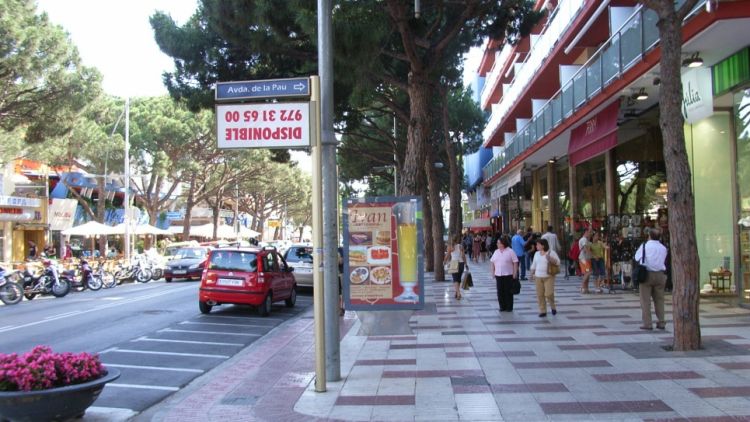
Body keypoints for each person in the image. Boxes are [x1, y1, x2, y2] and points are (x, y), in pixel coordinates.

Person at [634, 228, 668, 330]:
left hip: (647, 274)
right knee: (659, 300)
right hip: (660, 274)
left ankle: (647, 323)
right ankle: (661, 322)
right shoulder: (663, 248)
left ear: (649, 235)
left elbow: (637, 257)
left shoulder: (645, 246)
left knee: (645, 300)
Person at [529, 238, 560, 317]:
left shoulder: (551, 252)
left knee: (549, 293)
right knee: (540, 295)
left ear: (543, 245)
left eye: (538, 245)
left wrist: (550, 259)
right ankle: (543, 311)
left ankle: (553, 306)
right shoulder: (536, 254)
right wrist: (531, 274)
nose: (536, 246)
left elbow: (558, 262)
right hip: (538, 276)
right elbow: (534, 265)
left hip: (549, 276)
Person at [490, 235, 519, 312]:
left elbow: (515, 262)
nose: (497, 244)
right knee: (500, 291)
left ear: (503, 243)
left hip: (508, 274)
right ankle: (502, 306)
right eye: (497, 243)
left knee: (508, 291)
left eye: (499, 243)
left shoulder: (510, 251)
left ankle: (509, 307)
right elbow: (492, 262)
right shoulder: (496, 252)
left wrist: (515, 273)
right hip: (498, 274)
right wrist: (492, 272)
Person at [444, 234, 467, 300]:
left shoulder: (450, 247)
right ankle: (457, 292)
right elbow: (463, 256)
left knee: (455, 279)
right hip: (461, 263)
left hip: (454, 263)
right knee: (458, 279)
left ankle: (458, 293)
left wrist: (444, 261)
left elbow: (447, 255)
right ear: (458, 239)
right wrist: (466, 264)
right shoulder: (461, 246)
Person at [578, 228, 593, 293]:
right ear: (586, 232)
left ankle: (586, 288)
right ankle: (582, 287)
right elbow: (585, 248)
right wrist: (591, 254)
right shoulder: (583, 239)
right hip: (584, 259)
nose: (590, 233)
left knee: (587, 274)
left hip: (587, 259)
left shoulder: (586, 240)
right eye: (589, 232)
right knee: (588, 272)